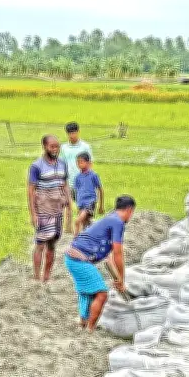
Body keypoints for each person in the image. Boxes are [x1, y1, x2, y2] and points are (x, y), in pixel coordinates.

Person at [64, 195, 136, 333]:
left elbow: (109, 259)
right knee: (101, 293)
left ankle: (83, 321)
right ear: (129, 210)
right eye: (131, 213)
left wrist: (118, 279)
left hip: (72, 257)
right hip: (79, 259)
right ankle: (90, 329)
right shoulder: (118, 222)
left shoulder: (110, 218)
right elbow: (118, 254)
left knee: (87, 292)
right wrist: (121, 280)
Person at [28, 135, 71, 283]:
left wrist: (68, 204)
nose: (55, 149)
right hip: (43, 211)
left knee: (52, 244)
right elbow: (31, 191)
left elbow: (65, 184)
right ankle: (36, 277)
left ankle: (46, 277)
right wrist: (33, 214)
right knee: (40, 244)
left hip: (57, 210)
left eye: (57, 146)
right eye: (52, 146)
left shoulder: (62, 164)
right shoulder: (36, 166)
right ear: (44, 146)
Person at [59, 122, 93, 233]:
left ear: (78, 132)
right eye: (69, 133)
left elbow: (90, 163)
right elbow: (61, 164)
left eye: (74, 133)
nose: (72, 135)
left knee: (81, 205)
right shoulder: (64, 148)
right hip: (68, 181)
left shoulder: (85, 147)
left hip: (82, 182)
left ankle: (82, 229)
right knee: (67, 206)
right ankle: (68, 230)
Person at [73, 152, 104, 235]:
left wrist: (101, 206)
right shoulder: (77, 177)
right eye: (77, 162)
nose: (79, 164)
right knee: (85, 224)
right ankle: (96, 234)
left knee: (77, 221)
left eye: (81, 162)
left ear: (88, 163)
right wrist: (78, 205)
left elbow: (100, 189)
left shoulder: (93, 175)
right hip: (81, 204)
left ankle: (75, 242)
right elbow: (76, 191)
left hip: (90, 202)